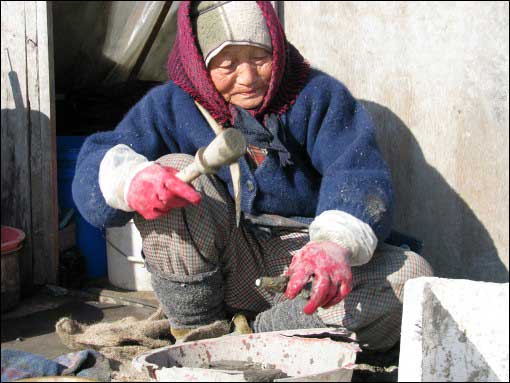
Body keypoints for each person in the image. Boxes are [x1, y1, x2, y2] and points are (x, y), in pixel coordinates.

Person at [73, 1, 433, 351]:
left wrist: (333, 245)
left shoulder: (317, 95)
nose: (247, 78)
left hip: (301, 270)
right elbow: (98, 163)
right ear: (199, 63)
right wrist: (130, 182)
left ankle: (261, 336)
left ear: (277, 47)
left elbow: (358, 173)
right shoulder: (170, 105)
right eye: (227, 65)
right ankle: (199, 337)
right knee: (171, 170)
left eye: (260, 58)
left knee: (412, 279)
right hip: (222, 267)